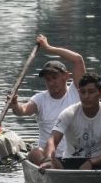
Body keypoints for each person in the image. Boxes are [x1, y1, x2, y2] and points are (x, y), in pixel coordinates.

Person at [11, 34, 86, 165]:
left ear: (66, 76)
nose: (51, 82)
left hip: (75, 157)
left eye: (54, 77)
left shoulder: (77, 91)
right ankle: (54, 171)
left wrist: (48, 48)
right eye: (47, 79)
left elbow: (78, 60)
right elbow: (22, 110)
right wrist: (14, 104)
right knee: (35, 152)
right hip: (50, 159)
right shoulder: (40, 99)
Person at [41, 72, 101, 170]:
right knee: (37, 153)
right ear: (79, 93)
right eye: (82, 92)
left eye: (91, 92)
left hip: (99, 162)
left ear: (100, 93)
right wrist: (48, 159)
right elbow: (52, 140)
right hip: (71, 162)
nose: (86, 96)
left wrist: (92, 162)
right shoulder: (69, 113)